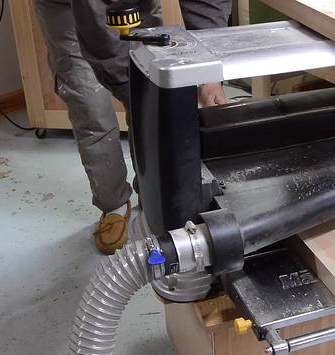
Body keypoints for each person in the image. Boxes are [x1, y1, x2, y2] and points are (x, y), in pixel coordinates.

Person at [33, 0, 231, 254]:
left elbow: (206, 4)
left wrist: (209, 75)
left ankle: (151, 194)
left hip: (135, 4)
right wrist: (132, 88)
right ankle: (113, 205)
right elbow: (102, 34)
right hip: (71, 7)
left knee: (150, 92)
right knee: (90, 105)